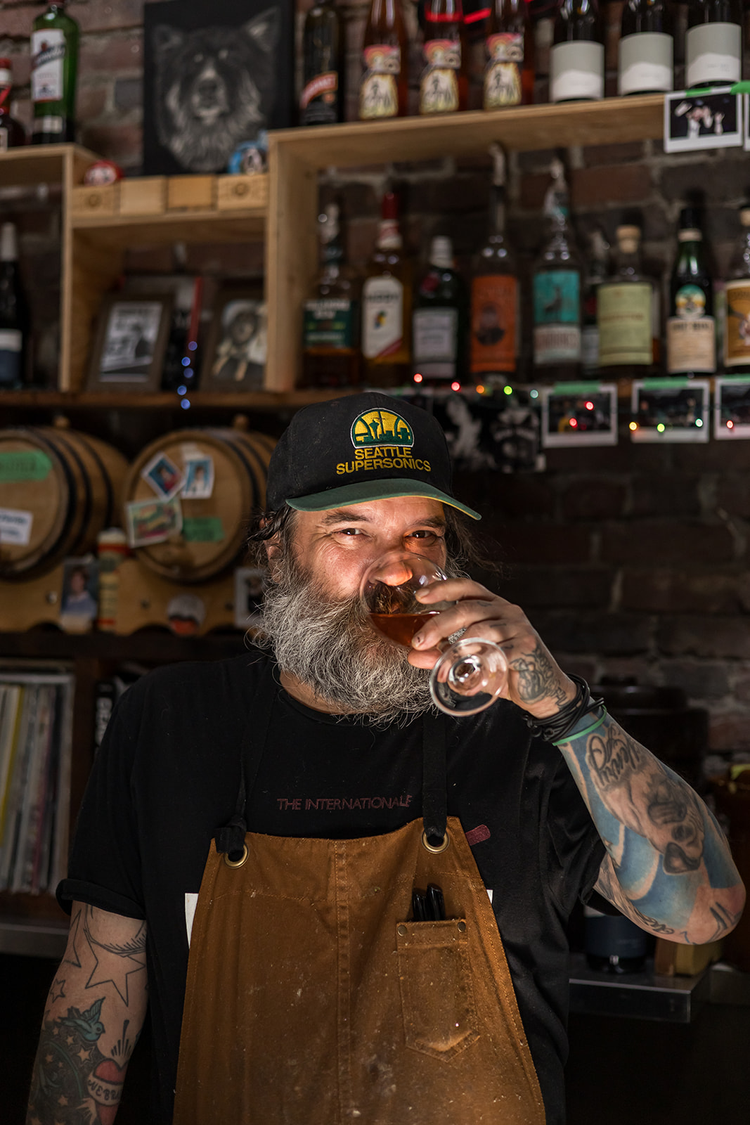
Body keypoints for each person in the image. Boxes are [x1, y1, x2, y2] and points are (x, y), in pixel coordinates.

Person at [27, 392, 744, 1125]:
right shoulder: (168, 721)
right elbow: (95, 998)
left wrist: (562, 702)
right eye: (352, 530)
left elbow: (701, 915)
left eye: (421, 535)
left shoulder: (517, 729)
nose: (395, 569)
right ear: (275, 551)